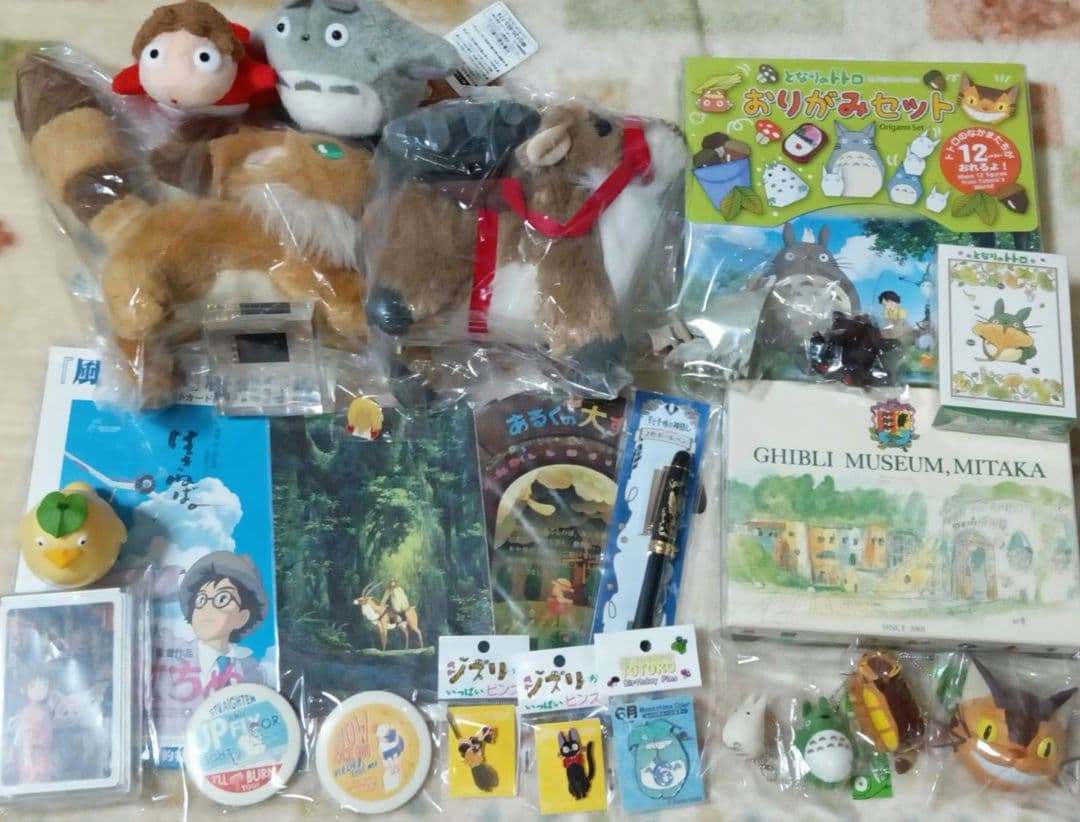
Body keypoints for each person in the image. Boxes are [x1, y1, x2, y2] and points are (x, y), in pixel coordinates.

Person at [178, 551, 268, 694]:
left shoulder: (251, 669)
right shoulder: (175, 658)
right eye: (201, 600)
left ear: (242, 618)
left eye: (222, 599)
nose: (207, 607)